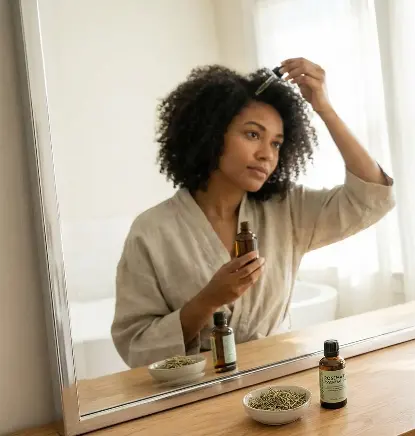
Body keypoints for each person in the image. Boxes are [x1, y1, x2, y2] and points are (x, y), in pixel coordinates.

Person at [111, 59, 395, 368]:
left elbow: (372, 196)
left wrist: (324, 109)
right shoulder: (152, 231)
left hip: (279, 381)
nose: (266, 154)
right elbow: (136, 344)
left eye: (276, 144)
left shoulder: (288, 209)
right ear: (210, 133)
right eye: (252, 135)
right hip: (196, 389)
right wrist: (208, 300)